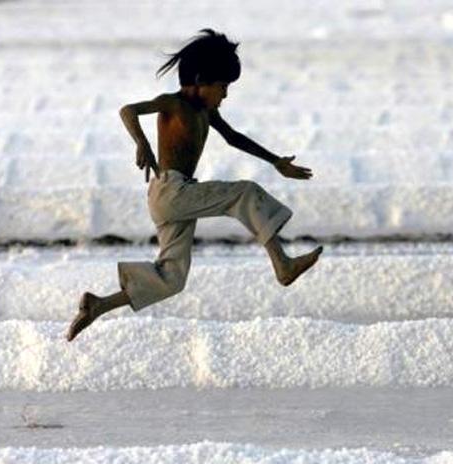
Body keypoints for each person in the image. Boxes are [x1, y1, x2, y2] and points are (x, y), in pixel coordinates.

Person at [67, 28, 322, 341]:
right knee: (245, 193)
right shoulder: (174, 104)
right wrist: (142, 142)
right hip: (172, 191)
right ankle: (283, 266)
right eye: (222, 86)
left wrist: (276, 161)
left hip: (173, 196)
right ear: (201, 80)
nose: (225, 94)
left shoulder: (206, 110)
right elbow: (128, 111)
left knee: (172, 278)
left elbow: (233, 138)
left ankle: (98, 305)